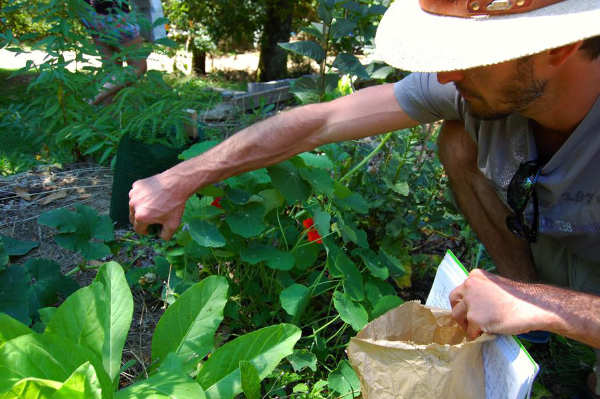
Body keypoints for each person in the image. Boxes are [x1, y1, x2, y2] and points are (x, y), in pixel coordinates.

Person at [128, 0, 600, 394]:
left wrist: (545, 303)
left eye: (470, 53)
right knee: (457, 138)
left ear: (557, 47)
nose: (444, 73)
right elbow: (322, 121)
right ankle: (531, 324)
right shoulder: (475, 88)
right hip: (555, 254)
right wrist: (181, 178)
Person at [81, 0, 148, 105]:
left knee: (111, 70)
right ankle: (92, 100)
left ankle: (108, 116)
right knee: (138, 67)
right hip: (115, 13)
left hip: (90, 13)